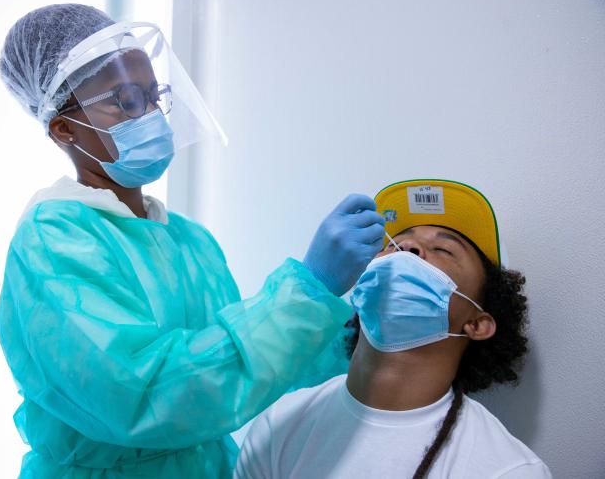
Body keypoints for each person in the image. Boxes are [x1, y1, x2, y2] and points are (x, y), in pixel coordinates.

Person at [0, 4, 386, 478]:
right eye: (124, 100)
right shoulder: (54, 239)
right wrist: (310, 288)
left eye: (154, 96)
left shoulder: (187, 240)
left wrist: (354, 333)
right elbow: (143, 397)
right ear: (64, 128)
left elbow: (245, 374)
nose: (151, 115)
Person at [235, 179, 552, 479]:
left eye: (444, 250)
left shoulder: (506, 470)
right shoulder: (280, 426)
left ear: (477, 323)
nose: (409, 247)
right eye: (395, 243)